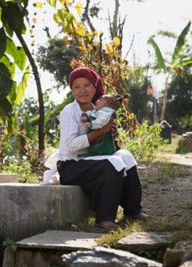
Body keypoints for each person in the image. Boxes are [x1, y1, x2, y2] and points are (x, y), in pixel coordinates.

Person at [56, 66, 147, 232]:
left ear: (95, 87)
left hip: (90, 160)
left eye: (87, 85)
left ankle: (133, 210)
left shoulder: (98, 109)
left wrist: (105, 133)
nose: (82, 90)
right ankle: (104, 218)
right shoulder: (69, 111)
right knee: (112, 163)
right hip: (71, 166)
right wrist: (100, 132)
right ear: (72, 90)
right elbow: (70, 146)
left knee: (125, 156)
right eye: (76, 87)